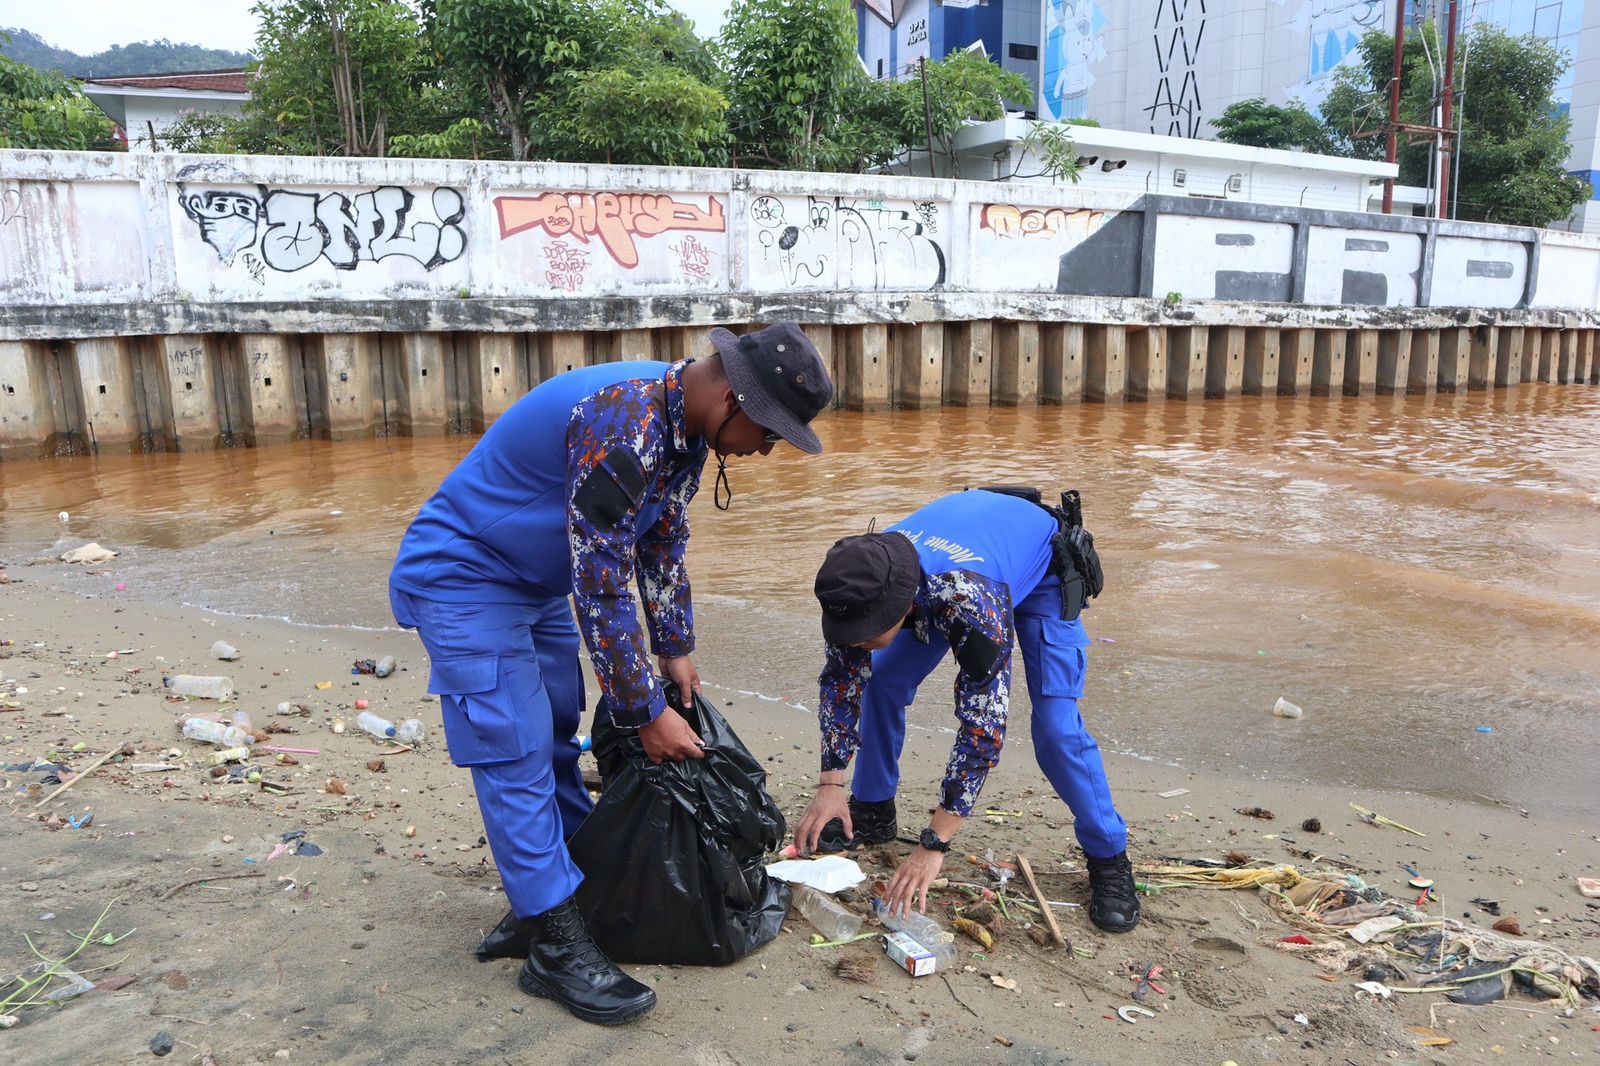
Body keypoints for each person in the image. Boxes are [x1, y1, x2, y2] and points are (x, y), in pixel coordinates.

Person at [389, 323, 832, 1026]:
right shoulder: (624, 424)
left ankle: (563, 900)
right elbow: (600, 589)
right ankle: (556, 943)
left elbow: (661, 539)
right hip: (467, 576)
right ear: (730, 396)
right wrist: (642, 711)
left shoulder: (681, 424)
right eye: (770, 431)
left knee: (557, 736)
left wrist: (674, 648)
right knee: (515, 748)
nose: (766, 449)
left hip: (534, 582)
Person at [793, 489, 1139, 934]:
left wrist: (934, 843)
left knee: (1056, 731)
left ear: (899, 607)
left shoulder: (970, 601)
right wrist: (830, 783)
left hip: (1041, 572)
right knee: (880, 678)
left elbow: (982, 728)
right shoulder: (857, 579)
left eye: (864, 632)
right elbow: (842, 682)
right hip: (955, 568)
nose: (854, 640)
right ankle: (873, 808)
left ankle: (1109, 857)